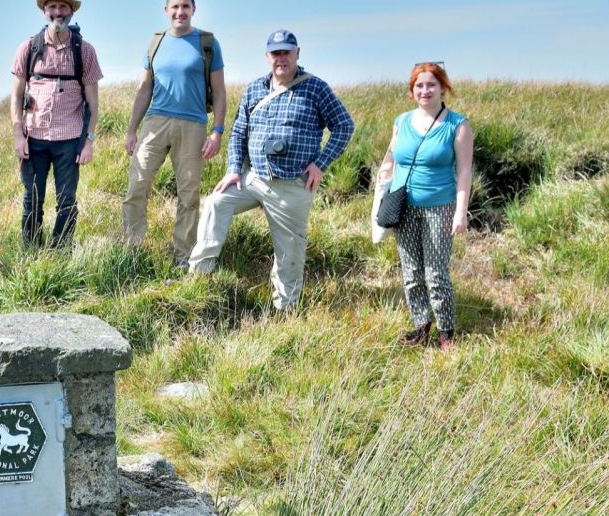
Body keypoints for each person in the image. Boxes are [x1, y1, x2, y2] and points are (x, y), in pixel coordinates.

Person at [189, 29, 355, 312]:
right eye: (276, 53)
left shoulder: (316, 88)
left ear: (297, 53)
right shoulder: (255, 89)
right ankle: (198, 277)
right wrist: (232, 170)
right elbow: (240, 130)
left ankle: (284, 309)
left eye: (286, 52)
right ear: (267, 57)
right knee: (216, 203)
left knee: (289, 252)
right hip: (253, 178)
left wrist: (321, 164)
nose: (281, 58)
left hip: (292, 185)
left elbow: (344, 125)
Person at [122, 0, 227, 267]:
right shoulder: (155, 42)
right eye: (175, 7)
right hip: (155, 122)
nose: (180, 12)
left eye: (185, 6)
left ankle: (183, 257)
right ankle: (131, 251)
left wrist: (217, 132)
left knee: (189, 195)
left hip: (193, 126)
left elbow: (219, 92)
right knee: (137, 186)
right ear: (166, 10)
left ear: (193, 9)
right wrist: (132, 129)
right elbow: (144, 88)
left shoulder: (207, 43)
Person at [377, 62, 473, 349]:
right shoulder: (401, 121)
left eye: (431, 84)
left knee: (436, 273)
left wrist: (460, 212)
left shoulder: (458, 125)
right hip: (403, 205)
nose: (425, 90)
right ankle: (421, 327)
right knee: (411, 272)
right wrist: (383, 182)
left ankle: (446, 333)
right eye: (419, 85)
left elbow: (465, 172)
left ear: (443, 88)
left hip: (439, 208)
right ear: (412, 91)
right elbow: (391, 157)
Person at [10, 0, 103, 249]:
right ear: (44, 11)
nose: (57, 12)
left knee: (67, 201)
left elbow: (93, 104)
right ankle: (31, 252)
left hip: (69, 139)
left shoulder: (84, 51)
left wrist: (89, 141)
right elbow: (16, 95)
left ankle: (60, 254)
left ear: (71, 11)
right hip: (33, 137)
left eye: (63, 6)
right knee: (32, 199)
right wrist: (18, 136)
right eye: (52, 6)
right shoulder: (28, 47)